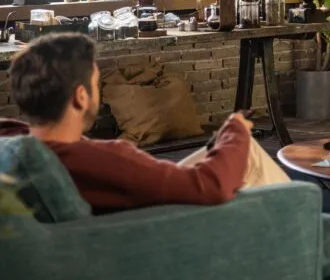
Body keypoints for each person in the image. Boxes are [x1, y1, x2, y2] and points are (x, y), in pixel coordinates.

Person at [0, 33, 290, 215]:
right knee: (246, 150)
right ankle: (304, 229)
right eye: (96, 83)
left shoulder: (14, 143)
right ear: (80, 96)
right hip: (164, 228)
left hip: (126, 201)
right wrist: (235, 128)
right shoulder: (108, 159)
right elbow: (208, 186)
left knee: (240, 150)